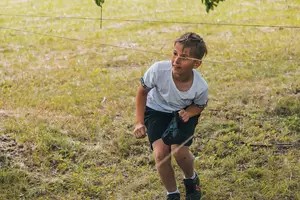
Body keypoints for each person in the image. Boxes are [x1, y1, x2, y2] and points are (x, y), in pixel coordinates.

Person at [133, 32, 208, 200]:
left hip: (183, 113)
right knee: (160, 154)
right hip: (156, 110)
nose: (176, 60)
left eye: (184, 57)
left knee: (178, 150)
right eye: (175, 53)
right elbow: (142, 92)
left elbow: (199, 106)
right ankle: (172, 193)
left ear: (196, 64)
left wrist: (188, 113)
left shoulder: (200, 86)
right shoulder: (158, 70)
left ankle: (191, 179)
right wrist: (139, 122)